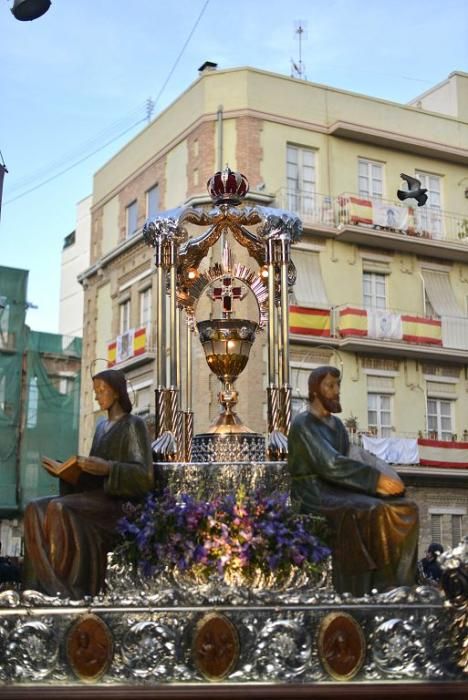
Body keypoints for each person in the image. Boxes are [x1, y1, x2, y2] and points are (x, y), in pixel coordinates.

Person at [288, 365, 419, 596]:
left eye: (338, 385)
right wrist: (376, 481)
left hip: (338, 487)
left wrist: (385, 477)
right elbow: (330, 463)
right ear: (315, 391)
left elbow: (350, 456)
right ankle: (376, 585)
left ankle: (402, 581)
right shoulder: (302, 424)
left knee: (406, 508)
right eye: (330, 385)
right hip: (313, 492)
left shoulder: (337, 426)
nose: (336, 390)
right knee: (371, 508)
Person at [23, 369, 153, 599]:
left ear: (117, 392)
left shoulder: (134, 425)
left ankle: (67, 592)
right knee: (34, 508)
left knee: (59, 508)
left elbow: (144, 477)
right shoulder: (101, 428)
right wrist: (67, 473)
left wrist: (109, 468)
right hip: (95, 497)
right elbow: (91, 480)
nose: (97, 396)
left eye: (101, 391)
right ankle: (38, 587)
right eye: (95, 391)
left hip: (118, 505)